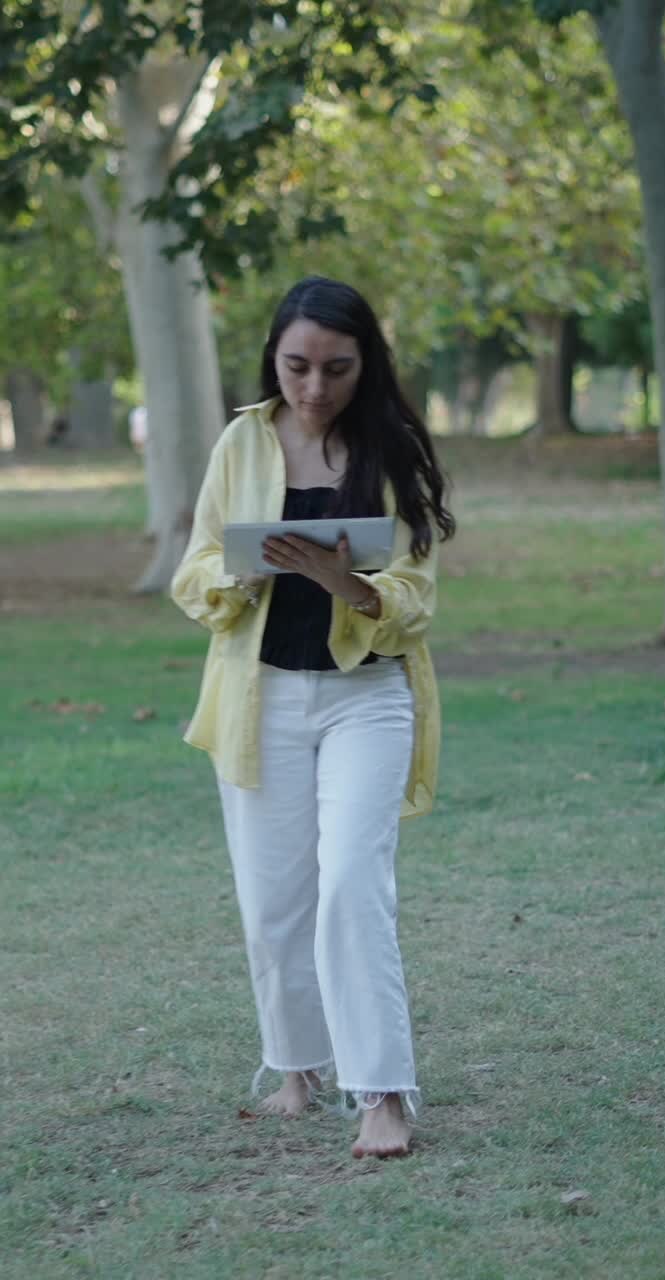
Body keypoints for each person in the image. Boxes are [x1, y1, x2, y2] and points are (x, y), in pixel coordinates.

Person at [170, 276, 455, 1159]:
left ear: (364, 363)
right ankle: (296, 1070)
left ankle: (384, 1095)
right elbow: (196, 572)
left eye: (335, 368)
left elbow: (417, 596)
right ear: (274, 359)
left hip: (368, 698)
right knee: (272, 904)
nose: (314, 388)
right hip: (261, 697)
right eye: (297, 367)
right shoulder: (243, 440)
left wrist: (348, 584)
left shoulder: (393, 445)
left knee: (350, 890)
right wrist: (242, 574)